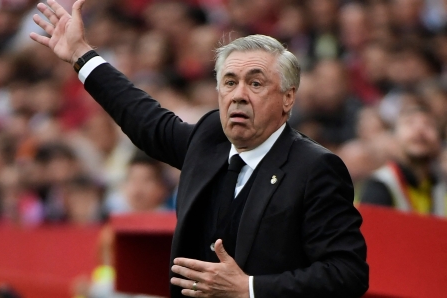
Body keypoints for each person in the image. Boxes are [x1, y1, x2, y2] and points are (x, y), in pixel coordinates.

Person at [30, 1, 369, 297]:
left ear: (288, 98)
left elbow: (348, 274)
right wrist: (81, 55)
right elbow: (144, 119)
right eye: (230, 83)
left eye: (255, 83)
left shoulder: (316, 168)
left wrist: (249, 289)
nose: (238, 95)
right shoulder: (210, 138)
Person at [360, 103, 446, 216]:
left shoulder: (442, 189)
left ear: (439, 140)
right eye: (409, 123)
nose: (419, 130)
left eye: (428, 125)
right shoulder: (379, 186)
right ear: (394, 139)